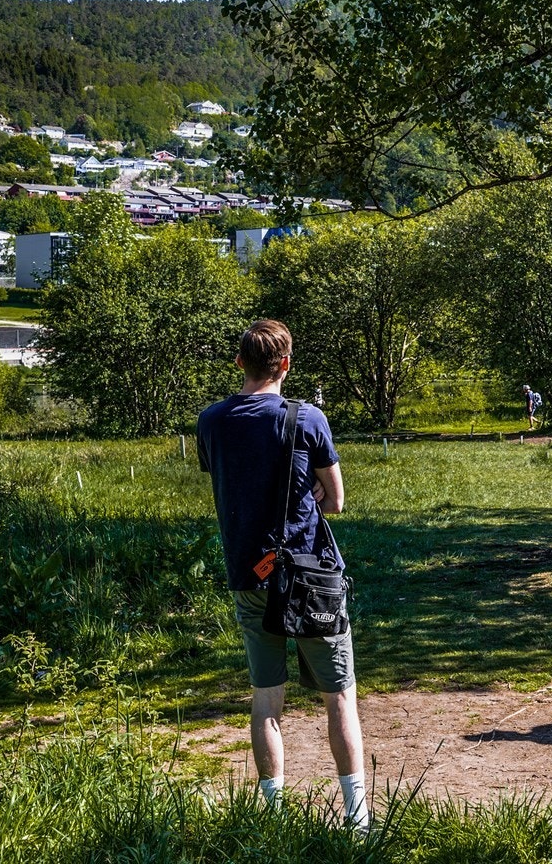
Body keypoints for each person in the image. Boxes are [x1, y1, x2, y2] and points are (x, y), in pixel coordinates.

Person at [197, 318, 369, 829]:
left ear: (239, 363)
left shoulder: (212, 421)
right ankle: (357, 819)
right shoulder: (307, 418)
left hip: (250, 575)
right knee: (339, 695)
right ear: (286, 365)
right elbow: (335, 499)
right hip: (312, 575)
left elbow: (232, 481)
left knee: (266, 697)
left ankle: (273, 816)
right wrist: (311, 495)